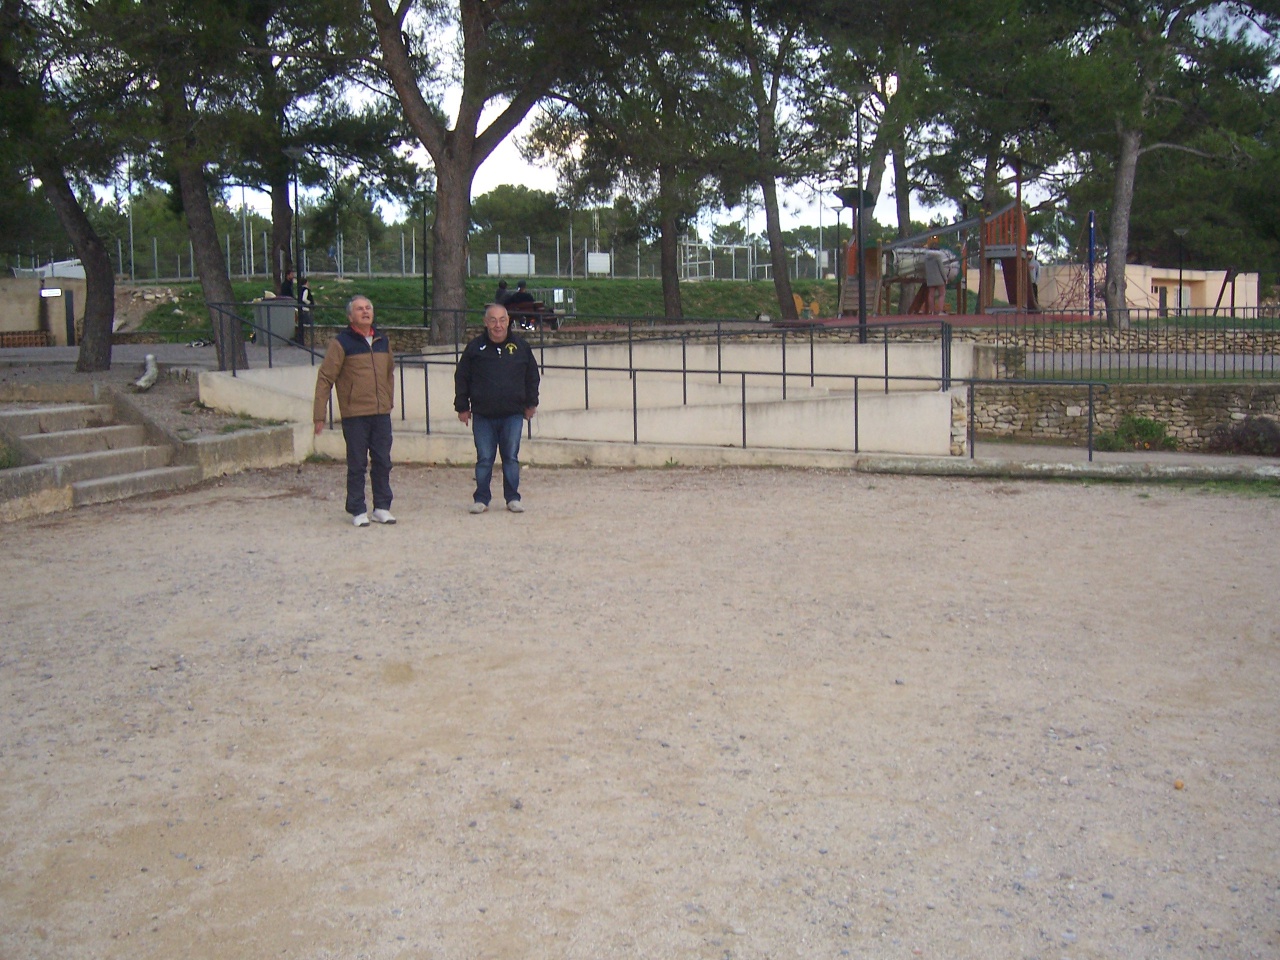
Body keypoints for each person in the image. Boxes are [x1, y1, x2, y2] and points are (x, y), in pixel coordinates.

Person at [313, 295, 396, 527]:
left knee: (382, 460)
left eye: (368, 307)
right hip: (355, 414)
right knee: (357, 463)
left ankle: (381, 506)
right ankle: (358, 509)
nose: (365, 311)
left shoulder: (383, 341)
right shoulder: (341, 343)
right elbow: (325, 377)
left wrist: (388, 400)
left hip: (380, 413)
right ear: (351, 316)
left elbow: (389, 372)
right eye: (360, 309)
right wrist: (319, 414)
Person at [453, 303, 540, 514]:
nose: (498, 325)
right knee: (484, 458)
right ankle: (481, 498)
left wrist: (531, 404)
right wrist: (462, 407)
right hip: (483, 415)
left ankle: (513, 497)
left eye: (502, 320)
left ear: (508, 321)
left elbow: (532, 378)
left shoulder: (521, 347)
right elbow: (462, 378)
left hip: (512, 414)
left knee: (510, 457)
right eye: (493, 320)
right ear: (485, 322)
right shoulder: (474, 348)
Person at [293, 276, 313, 345]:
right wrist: (309, 303)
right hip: (306, 309)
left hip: (301, 309)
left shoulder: (300, 290)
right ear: (306, 282)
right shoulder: (306, 290)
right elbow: (304, 299)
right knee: (308, 324)